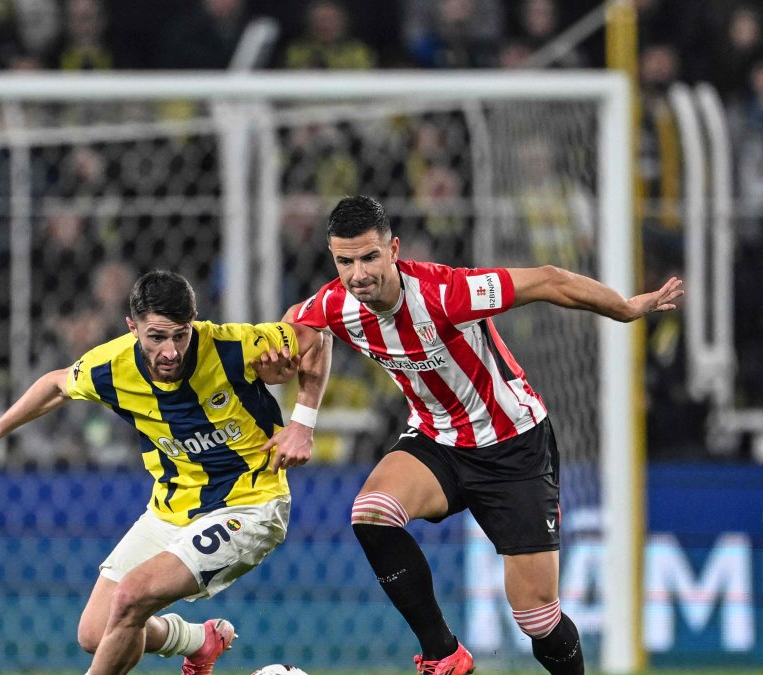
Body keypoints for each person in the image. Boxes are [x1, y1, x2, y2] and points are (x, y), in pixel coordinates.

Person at [275, 195, 682, 674]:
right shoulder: (336, 303)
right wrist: (296, 407)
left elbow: (549, 279)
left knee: (537, 618)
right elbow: (297, 328)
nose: (359, 274)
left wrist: (626, 308)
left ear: (394, 250)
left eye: (370, 257)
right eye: (346, 261)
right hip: (438, 440)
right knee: (371, 513)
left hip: (513, 445)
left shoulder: (447, 292)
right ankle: (444, 654)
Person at [0, 270, 330, 675]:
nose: (171, 351)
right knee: (95, 632)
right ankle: (198, 641)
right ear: (132, 327)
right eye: (156, 337)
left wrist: (302, 423)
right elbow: (56, 385)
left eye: (181, 335)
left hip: (251, 505)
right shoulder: (112, 365)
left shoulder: (233, 344)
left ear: (193, 322)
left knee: (131, 596)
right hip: (171, 508)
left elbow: (315, 338)